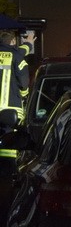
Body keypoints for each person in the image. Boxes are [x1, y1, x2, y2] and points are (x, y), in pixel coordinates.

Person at [0, 29, 30, 177]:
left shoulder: (15, 53)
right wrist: (24, 95)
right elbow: (24, 81)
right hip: (10, 107)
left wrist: (28, 45)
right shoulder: (15, 55)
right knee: (10, 140)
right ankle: (8, 172)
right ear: (12, 42)